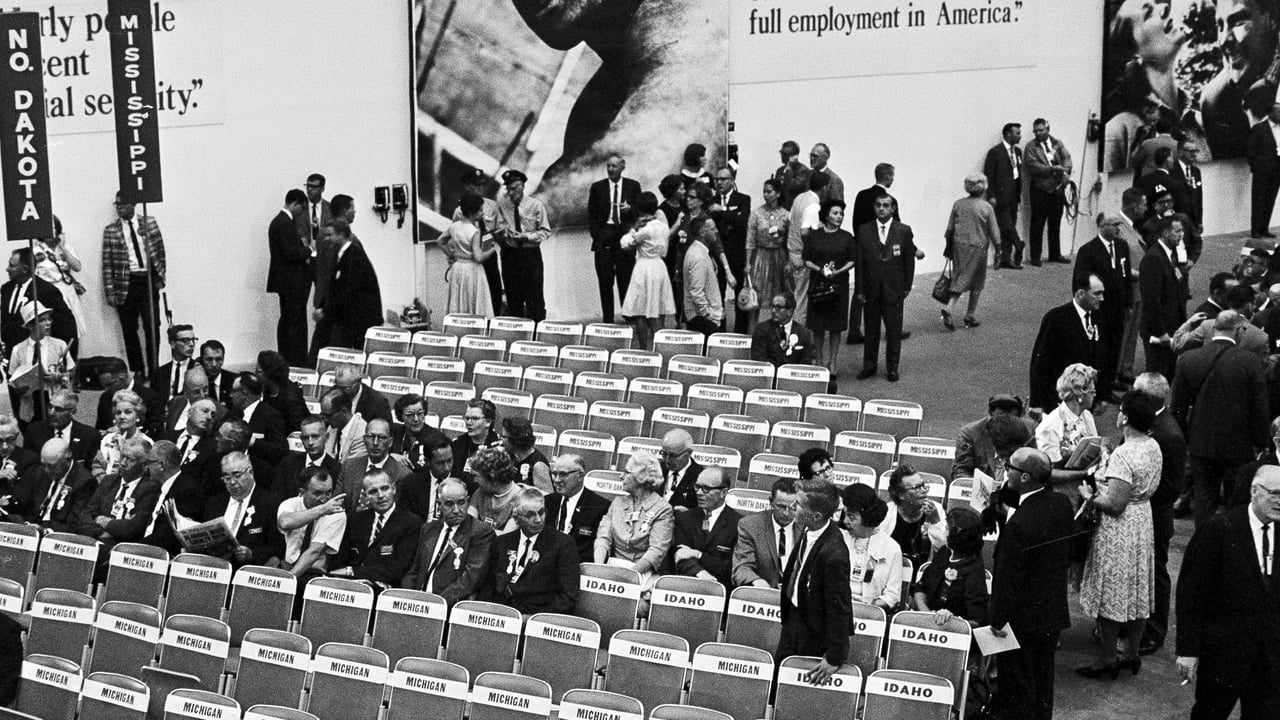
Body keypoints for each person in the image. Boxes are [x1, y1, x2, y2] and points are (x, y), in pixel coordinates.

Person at [1175, 464, 1280, 719]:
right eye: (1274, 493)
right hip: (1223, 654)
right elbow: (1192, 592)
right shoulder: (1220, 528)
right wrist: (1188, 649)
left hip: (1269, 659)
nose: (1279, 501)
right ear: (1255, 491)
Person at [1076, 390, 1161, 679]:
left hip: (1119, 528)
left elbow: (1114, 504)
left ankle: (1107, 658)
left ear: (1125, 416)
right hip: (1142, 522)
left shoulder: (1125, 454)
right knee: (1136, 590)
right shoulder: (1152, 445)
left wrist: (1089, 496)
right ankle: (1132, 653)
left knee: (1111, 591)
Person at [988, 447, 1074, 720]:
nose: (1005, 471)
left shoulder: (1019, 525)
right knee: (1041, 685)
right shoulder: (1060, 504)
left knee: (1017, 687)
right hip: (1050, 615)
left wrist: (997, 619)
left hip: (1019, 622)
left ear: (1024, 478)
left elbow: (1007, 577)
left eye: (1010, 468)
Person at [1171, 310, 1270, 526]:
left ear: (1213, 327)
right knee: (1236, 503)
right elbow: (1259, 408)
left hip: (1200, 443)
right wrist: (1261, 443)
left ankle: (1203, 548)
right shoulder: (1250, 362)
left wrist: (1187, 439)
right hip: (1239, 446)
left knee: (1205, 500)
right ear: (1239, 329)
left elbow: (1177, 409)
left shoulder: (1188, 359)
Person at [1102, 0, 1202, 173]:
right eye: (1148, 14)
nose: (1164, 9)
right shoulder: (1120, 130)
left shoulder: (1199, 118)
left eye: (1160, 3)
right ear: (1134, 52)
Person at [1130, 372, 1186, 656]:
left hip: (1154, 516)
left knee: (1155, 573)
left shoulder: (1167, 433)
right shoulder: (1156, 423)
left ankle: (1154, 630)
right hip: (1145, 513)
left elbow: (1172, 485)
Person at [776, 479, 851, 684]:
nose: (792, 506)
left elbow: (839, 607)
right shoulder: (809, 528)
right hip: (793, 618)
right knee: (778, 675)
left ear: (816, 515)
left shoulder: (834, 554)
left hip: (813, 632)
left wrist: (835, 657)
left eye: (798, 505)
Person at [482, 487, 580, 615]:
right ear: (516, 518)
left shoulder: (562, 544)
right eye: (530, 515)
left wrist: (533, 619)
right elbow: (488, 586)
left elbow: (568, 596)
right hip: (500, 614)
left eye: (541, 512)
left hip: (536, 617)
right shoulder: (502, 543)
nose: (538, 519)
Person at [1201, 0, 1278, 159]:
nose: (1224, 40)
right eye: (1220, 26)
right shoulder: (1214, 100)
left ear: (1272, 20)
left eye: (1238, 22)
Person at [594, 451, 675, 598]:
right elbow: (603, 538)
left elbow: (656, 551)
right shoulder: (618, 503)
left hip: (642, 574)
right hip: (612, 569)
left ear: (641, 477)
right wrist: (599, 568)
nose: (621, 476)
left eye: (626, 472)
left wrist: (628, 577)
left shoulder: (663, 509)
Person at [403, 478, 494, 606]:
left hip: (447, 605)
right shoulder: (429, 529)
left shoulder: (480, 532)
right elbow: (415, 569)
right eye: (449, 504)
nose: (456, 510)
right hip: (417, 601)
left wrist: (436, 603)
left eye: (461, 502)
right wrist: (408, 596)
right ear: (439, 504)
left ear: (468, 501)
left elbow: (469, 580)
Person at [102, 193, 166, 373]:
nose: (119, 207)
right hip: (125, 283)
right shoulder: (111, 230)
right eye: (117, 204)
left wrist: (160, 276)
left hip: (147, 281)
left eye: (123, 204)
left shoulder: (149, 223)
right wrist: (110, 291)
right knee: (129, 330)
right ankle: (137, 370)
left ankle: (154, 369)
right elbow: (107, 263)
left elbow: (160, 250)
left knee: (152, 326)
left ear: (134, 204)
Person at [855, 194, 916, 382]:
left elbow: (909, 260)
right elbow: (859, 263)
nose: (882, 208)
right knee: (871, 330)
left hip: (894, 289)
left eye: (886, 205)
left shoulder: (903, 231)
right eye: (878, 205)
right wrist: (859, 289)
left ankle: (892, 368)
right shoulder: (864, 230)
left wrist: (906, 286)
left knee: (893, 331)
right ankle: (869, 365)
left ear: (893, 209)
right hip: (871, 288)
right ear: (874, 208)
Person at [329, 469, 423, 591]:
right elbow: (340, 559)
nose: (380, 495)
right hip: (348, 585)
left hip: (384, 589)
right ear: (365, 495)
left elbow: (397, 569)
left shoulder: (411, 523)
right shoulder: (355, 519)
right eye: (373, 491)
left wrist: (351, 571)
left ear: (393, 489)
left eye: (385, 488)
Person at [1074, 214, 1134, 395]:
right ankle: (1098, 389)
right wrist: (1084, 309)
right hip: (1099, 309)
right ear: (1101, 226)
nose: (1118, 228)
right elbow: (1079, 282)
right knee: (1099, 349)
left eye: (1119, 225)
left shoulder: (1122, 246)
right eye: (1114, 225)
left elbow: (1126, 278)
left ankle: (1109, 382)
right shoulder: (1088, 251)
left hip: (1118, 308)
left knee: (1115, 347)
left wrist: (1129, 303)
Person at [1030, 275, 1106, 413]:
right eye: (1097, 293)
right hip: (1058, 400)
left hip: (1084, 401)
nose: (1102, 298)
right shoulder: (1056, 319)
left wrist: (1101, 395)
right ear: (1081, 294)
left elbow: (1101, 359)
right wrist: (1036, 402)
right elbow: (1040, 362)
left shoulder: (1098, 317)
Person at [803, 200, 856, 377]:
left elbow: (852, 260)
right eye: (835, 213)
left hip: (838, 285)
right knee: (817, 325)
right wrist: (821, 270)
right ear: (826, 215)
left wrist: (838, 272)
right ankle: (818, 359)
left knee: (835, 325)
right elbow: (806, 259)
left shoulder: (847, 237)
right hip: (818, 285)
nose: (839, 217)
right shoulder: (814, 236)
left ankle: (832, 362)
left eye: (841, 214)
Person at [912, 506, 989, 628]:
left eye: (946, 529)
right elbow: (920, 588)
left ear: (958, 536)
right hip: (927, 622)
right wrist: (927, 615)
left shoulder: (974, 570)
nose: (943, 532)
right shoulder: (945, 552)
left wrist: (951, 621)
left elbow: (977, 620)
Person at [204, 451, 283, 568]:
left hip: (248, 571)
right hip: (214, 567)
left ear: (250, 472)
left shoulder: (270, 504)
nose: (232, 482)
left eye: (237, 475)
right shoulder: (214, 504)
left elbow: (278, 548)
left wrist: (252, 554)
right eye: (226, 477)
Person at [942, 173, 1001, 330]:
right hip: (979, 247)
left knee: (960, 275)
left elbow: (949, 229)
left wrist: (948, 247)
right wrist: (999, 252)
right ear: (984, 186)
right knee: (977, 280)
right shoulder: (986, 207)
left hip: (959, 246)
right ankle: (962, 312)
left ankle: (962, 311)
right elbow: (995, 232)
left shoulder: (958, 204)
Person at [76, 437, 157, 546]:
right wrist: (102, 533)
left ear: (145, 465)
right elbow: (85, 517)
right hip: (96, 540)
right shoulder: (109, 481)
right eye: (122, 456)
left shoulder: (151, 488)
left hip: (124, 548)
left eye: (131, 460)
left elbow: (133, 530)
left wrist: (103, 521)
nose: (123, 463)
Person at [318, 209, 382, 349]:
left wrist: (326, 311)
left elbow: (347, 291)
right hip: (350, 317)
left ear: (341, 235)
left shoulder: (353, 256)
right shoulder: (340, 254)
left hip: (362, 319)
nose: (326, 239)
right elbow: (334, 286)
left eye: (330, 235)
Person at [619, 192, 676, 350]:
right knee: (654, 310)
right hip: (659, 266)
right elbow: (664, 251)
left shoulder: (645, 230)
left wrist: (634, 228)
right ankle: (659, 346)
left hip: (644, 268)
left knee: (640, 312)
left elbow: (625, 244)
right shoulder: (663, 227)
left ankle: (645, 348)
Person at [588, 155, 641, 324]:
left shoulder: (633, 186)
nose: (611, 170)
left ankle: (629, 315)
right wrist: (597, 235)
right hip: (604, 237)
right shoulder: (597, 188)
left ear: (622, 167)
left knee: (626, 278)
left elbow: (639, 213)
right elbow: (592, 215)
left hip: (624, 236)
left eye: (614, 166)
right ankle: (608, 318)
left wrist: (630, 209)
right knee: (605, 281)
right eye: (608, 166)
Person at [495, 169, 550, 321]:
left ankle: (538, 332)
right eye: (508, 189)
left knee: (535, 297)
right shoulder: (502, 205)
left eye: (514, 188)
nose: (511, 193)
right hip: (510, 256)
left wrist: (527, 236)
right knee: (513, 298)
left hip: (530, 255)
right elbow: (498, 227)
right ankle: (517, 334)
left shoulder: (536, 205)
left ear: (522, 186)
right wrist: (504, 235)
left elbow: (545, 232)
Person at [671, 466, 740, 587]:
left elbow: (731, 567)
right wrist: (701, 574)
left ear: (723, 492)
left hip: (721, 590)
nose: (698, 493)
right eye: (697, 487)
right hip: (686, 585)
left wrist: (699, 555)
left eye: (706, 489)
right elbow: (680, 556)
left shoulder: (739, 524)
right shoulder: (684, 518)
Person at [838, 483, 902, 611]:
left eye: (851, 517)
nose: (845, 521)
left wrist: (868, 606)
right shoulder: (838, 538)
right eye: (845, 514)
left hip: (868, 613)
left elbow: (892, 595)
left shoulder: (890, 548)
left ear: (867, 518)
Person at [267, 188, 313, 366]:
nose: (302, 213)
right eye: (302, 208)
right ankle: (293, 360)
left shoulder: (279, 222)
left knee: (289, 321)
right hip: (291, 282)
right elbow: (290, 253)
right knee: (292, 323)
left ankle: (290, 358)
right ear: (295, 204)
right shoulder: (284, 223)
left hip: (286, 282)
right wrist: (309, 250)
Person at [8, 301, 74, 423]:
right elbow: (13, 380)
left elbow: (72, 373)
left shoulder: (60, 345)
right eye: (42, 320)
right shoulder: (18, 349)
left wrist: (58, 376)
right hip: (31, 405)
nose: (48, 323)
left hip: (54, 400)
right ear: (30, 325)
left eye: (49, 319)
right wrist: (20, 388)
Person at [0, 247, 74, 356]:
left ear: (25, 269)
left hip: (38, 354)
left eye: (12, 266)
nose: (7, 269)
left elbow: (65, 326)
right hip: (13, 354)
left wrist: (66, 357)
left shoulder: (46, 291)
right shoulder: (6, 289)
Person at [1140, 215, 1188, 378]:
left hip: (1172, 326)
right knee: (1157, 376)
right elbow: (1151, 299)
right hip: (1159, 331)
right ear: (1166, 233)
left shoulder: (1170, 254)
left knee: (1169, 372)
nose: (1182, 235)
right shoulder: (1154, 258)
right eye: (1178, 231)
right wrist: (1161, 332)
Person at [277, 467, 347, 579]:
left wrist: (288, 580)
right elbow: (285, 523)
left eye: (328, 492)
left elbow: (314, 553)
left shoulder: (337, 514)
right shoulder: (291, 504)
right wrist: (323, 510)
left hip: (313, 573)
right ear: (302, 492)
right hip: (285, 566)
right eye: (317, 493)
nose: (324, 499)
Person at [138, 441, 205, 554]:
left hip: (163, 556)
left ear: (161, 465)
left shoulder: (187, 491)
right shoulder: (158, 487)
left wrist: (134, 548)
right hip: (147, 547)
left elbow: (168, 536)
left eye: (149, 462)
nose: (146, 468)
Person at [1023, 118, 1074, 265]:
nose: (1038, 133)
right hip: (1040, 188)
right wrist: (1052, 169)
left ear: (1048, 129)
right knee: (1037, 224)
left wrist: (1065, 173)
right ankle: (1035, 257)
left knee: (1055, 222)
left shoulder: (1057, 143)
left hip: (1057, 189)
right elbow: (1032, 166)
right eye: (1035, 131)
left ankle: (1055, 254)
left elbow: (1067, 158)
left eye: (1041, 130)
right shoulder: (1031, 147)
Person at [545, 453, 611, 563]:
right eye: (554, 474)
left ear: (579, 476)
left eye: (563, 474)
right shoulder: (547, 502)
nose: (556, 480)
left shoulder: (599, 507)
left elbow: (590, 552)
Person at [454, 169, 504, 313]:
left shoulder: (491, 206)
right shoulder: (459, 211)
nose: (480, 189)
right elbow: (455, 235)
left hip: (488, 254)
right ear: (467, 186)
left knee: (494, 291)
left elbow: (498, 227)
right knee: (474, 295)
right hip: (471, 258)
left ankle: (492, 323)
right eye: (476, 185)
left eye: (482, 185)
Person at [733, 478, 797, 589]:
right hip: (763, 593)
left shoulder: (809, 527)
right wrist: (757, 581)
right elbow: (742, 567)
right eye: (780, 506)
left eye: (793, 508)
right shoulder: (750, 525)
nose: (786, 513)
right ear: (771, 501)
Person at [1173, 284, 1270, 357]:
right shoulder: (1261, 337)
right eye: (1254, 304)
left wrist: (1188, 323)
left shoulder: (1207, 325)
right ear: (1248, 305)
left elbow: (1178, 345)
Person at [32, 215, 87, 343]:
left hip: (67, 290)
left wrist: (62, 248)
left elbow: (77, 267)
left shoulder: (66, 248)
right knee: (54, 329)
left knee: (73, 326)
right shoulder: (36, 251)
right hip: (49, 293)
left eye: (53, 228)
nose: (50, 232)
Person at [745, 179, 791, 330]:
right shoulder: (757, 214)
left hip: (779, 256)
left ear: (777, 193)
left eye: (769, 191)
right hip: (761, 257)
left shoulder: (785, 214)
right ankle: (751, 335)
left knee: (778, 298)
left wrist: (789, 261)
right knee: (755, 298)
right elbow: (750, 240)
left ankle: (776, 333)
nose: (765, 195)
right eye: (764, 191)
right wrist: (748, 263)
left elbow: (790, 240)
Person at [880, 463, 944, 570]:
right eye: (917, 487)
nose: (923, 490)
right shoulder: (887, 513)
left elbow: (946, 550)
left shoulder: (936, 509)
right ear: (901, 495)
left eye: (923, 485)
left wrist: (936, 522)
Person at [443, 194, 497, 317]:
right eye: (481, 210)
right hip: (472, 270)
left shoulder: (454, 227)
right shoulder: (474, 232)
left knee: (458, 302)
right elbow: (478, 257)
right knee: (475, 302)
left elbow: (440, 241)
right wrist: (492, 250)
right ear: (473, 212)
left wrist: (451, 255)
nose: (483, 213)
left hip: (458, 269)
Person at [1035, 363, 1100, 466]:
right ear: (1080, 392)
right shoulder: (1050, 426)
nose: (1095, 395)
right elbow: (1050, 472)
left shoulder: (1086, 415)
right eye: (1092, 391)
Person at [711, 167, 752, 332]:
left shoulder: (743, 199)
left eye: (723, 179)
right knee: (717, 294)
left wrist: (723, 211)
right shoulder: (711, 200)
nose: (719, 182)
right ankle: (718, 330)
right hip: (717, 254)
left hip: (737, 254)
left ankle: (740, 333)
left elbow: (741, 221)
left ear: (732, 181)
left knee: (740, 296)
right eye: (717, 179)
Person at [338, 419, 409, 510]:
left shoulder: (402, 475)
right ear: (364, 439)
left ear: (390, 442)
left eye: (381, 438)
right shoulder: (349, 466)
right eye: (371, 437)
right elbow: (337, 503)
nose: (375, 443)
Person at [788, 171, 827, 322]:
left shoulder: (800, 198)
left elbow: (790, 219)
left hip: (793, 252)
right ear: (823, 188)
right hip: (803, 255)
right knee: (802, 299)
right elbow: (805, 231)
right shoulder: (813, 205)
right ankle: (798, 336)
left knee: (798, 294)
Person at [984, 123, 1024, 269]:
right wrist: (991, 195)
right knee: (1006, 225)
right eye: (1017, 133)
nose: (1020, 136)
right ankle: (1019, 245)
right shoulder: (995, 152)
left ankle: (1005, 258)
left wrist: (1019, 196)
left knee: (1009, 225)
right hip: (1000, 197)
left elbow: (1018, 174)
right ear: (1008, 134)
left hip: (1014, 195)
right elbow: (989, 174)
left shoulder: (1018, 152)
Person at [228, 372, 288, 468]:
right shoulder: (232, 415)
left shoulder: (271, 416)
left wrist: (253, 442)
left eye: (233, 391)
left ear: (244, 393)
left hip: (258, 472)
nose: (231, 395)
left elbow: (280, 450)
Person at [24, 390, 99, 468]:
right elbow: (29, 464)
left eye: (58, 409)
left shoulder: (89, 435)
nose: (51, 413)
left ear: (73, 412)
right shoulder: (34, 431)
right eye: (50, 407)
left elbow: (90, 469)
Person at [92, 390, 153, 481]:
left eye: (128, 412)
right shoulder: (107, 438)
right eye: (118, 413)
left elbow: (142, 474)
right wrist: (105, 484)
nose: (122, 416)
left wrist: (123, 449)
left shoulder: (146, 443)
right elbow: (97, 466)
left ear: (137, 416)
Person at [274, 415, 341, 494]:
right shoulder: (288, 464)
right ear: (301, 439)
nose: (310, 442)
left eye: (315, 437)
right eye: (305, 438)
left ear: (326, 437)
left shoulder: (337, 469)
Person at [469, 446, 526, 535]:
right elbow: (468, 527)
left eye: (478, 476)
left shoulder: (521, 500)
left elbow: (505, 536)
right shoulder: (480, 493)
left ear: (493, 478)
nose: (475, 480)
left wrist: (478, 532)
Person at [682, 217, 724, 336]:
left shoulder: (699, 252)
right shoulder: (698, 257)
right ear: (702, 232)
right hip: (703, 320)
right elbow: (696, 292)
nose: (716, 231)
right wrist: (708, 315)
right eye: (712, 228)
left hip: (706, 317)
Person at [751, 292, 815, 367]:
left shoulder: (804, 333)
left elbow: (807, 362)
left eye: (778, 308)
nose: (773, 311)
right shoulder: (762, 330)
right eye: (772, 306)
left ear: (789, 311)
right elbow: (759, 359)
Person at [398, 435, 453, 522]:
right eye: (440, 463)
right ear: (427, 461)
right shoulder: (411, 484)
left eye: (449, 461)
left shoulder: (466, 483)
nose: (446, 467)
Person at [1246, 102, 1280, 239]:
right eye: (1278, 112)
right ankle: (1256, 230)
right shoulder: (1259, 128)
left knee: (1270, 199)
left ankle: (1264, 228)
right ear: (1270, 113)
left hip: (1277, 170)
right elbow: (1250, 149)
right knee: (1258, 200)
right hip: (1262, 170)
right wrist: (1257, 166)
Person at [451, 398, 499, 491]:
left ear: (488, 422)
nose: (469, 423)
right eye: (467, 418)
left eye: (475, 419)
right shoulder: (457, 444)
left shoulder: (498, 448)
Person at [255, 350, 308, 433]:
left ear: (269, 373)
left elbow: (296, 427)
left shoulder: (290, 397)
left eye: (259, 371)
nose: (255, 374)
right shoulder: (267, 388)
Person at [389, 393, 445, 464]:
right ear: (401, 416)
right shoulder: (395, 433)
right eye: (410, 415)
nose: (416, 419)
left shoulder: (436, 437)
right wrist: (390, 457)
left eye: (420, 413)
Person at [151, 325, 198, 405]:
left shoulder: (197, 368)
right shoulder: (160, 372)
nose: (191, 344)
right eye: (186, 340)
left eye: (193, 340)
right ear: (172, 344)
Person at [502, 417, 550, 494]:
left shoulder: (538, 465)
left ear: (515, 440)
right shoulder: (511, 457)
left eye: (504, 437)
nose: (501, 440)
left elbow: (549, 497)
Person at [658, 429, 702, 511]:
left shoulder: (701, 477)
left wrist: (688, 515)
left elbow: (704, 513)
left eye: (673, 455)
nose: (667, 460)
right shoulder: (655, 469)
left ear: (689, 453)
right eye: (664, 453)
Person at [319, 390, 367, 464]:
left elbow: (351, 468)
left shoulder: (361, 434)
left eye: (328, 416)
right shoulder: (333, 427)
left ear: (343, 411)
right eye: (323, 415)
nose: (325, 420)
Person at [197, 340, 236, 406]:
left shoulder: (234, 381)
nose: (214, 364)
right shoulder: (194, 382)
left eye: (218, 359)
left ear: (223, 359)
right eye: (209, 359)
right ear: (201, 359)